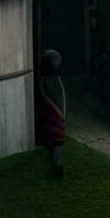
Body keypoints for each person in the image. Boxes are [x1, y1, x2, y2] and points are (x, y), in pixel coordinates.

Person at [35, 48, 66, 178]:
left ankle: (57, 166)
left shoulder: (51, 80)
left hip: (56, 118)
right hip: (55, 118)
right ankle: (57, 166)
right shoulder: (49, 80)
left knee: (55, 144)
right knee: (55, 144)